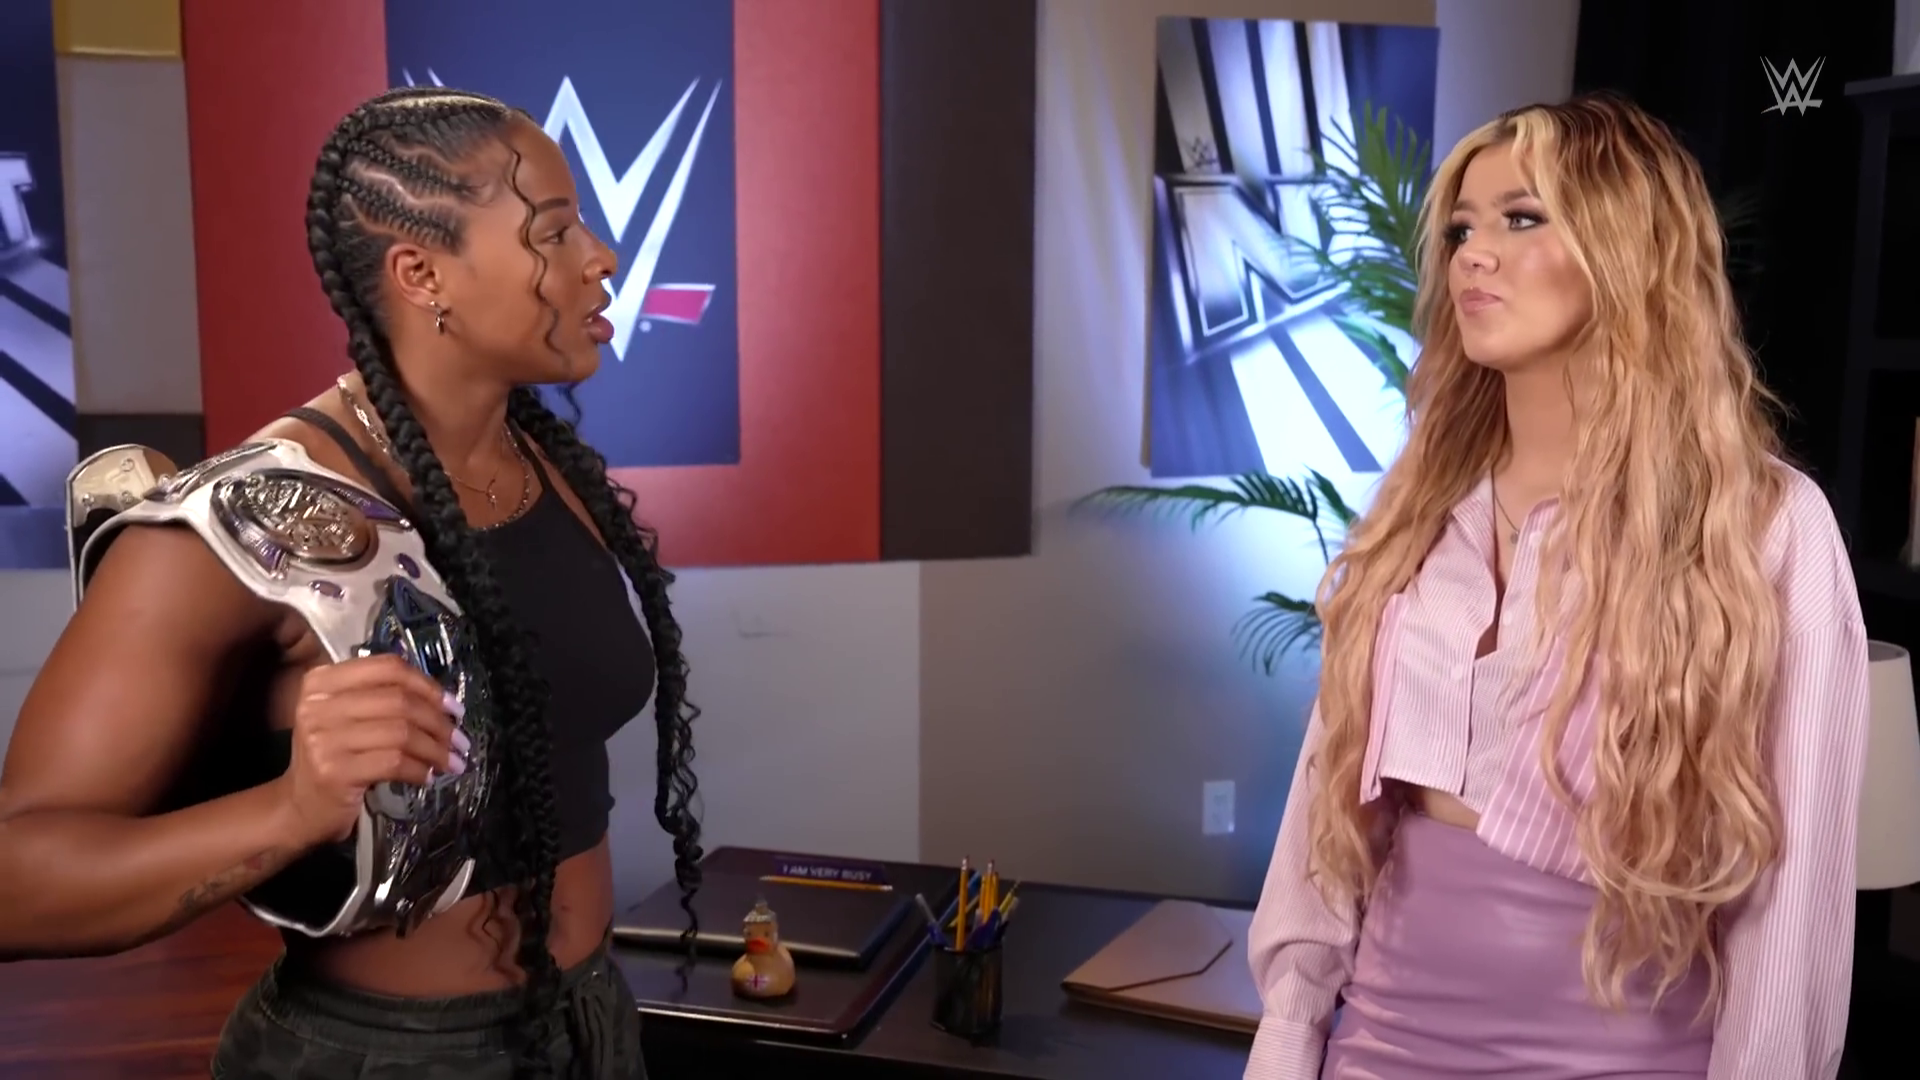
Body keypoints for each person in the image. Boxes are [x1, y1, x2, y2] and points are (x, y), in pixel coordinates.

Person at [0, 86, 703, 1078]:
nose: (602, 258)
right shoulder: (226, 530)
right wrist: (289, 809)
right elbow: (18, 884)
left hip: (591, 1022)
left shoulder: (545, 465)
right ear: (422, 273)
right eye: (553, 232)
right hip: (383, 1056)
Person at [1244, 92, 1869, 1080]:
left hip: (1621, 1056)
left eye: (1521, 219)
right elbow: (1324, 831)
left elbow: (1788, 900)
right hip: (1382, 1047)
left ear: (1628, 250)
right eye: (1462, 230)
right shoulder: (1418, 513)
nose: (1473, 256)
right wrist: (1286, 1045)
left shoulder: (1762, 525)